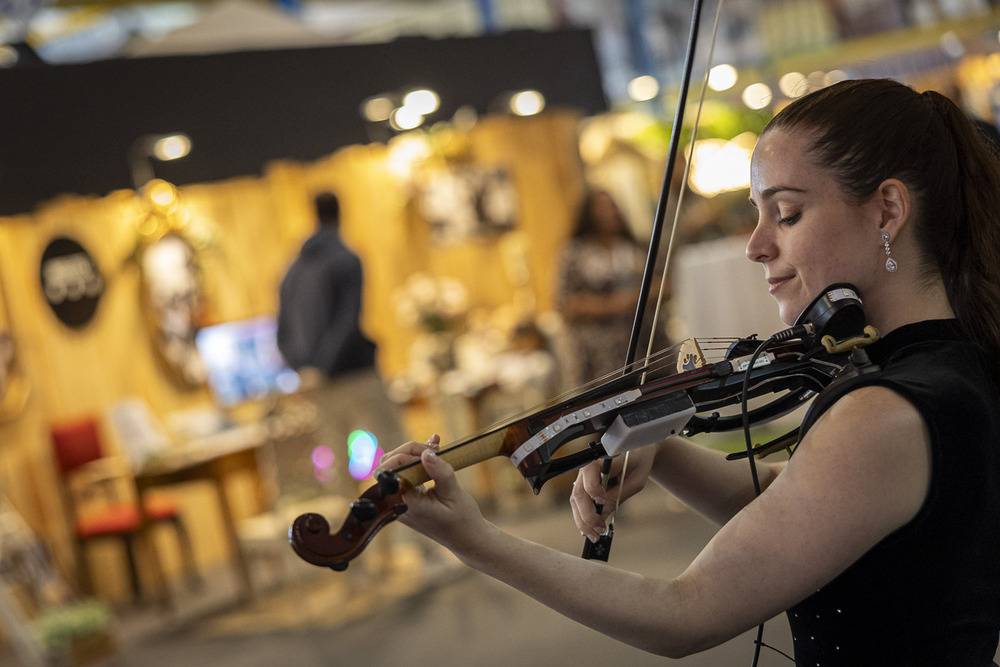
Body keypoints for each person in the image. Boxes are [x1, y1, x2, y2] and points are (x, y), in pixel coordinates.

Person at [377, 78, 1000, 665]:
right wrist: (659, 445)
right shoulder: (955, 371)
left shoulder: (886, 411)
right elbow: (783, 505)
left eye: (785, 214)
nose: (756, 244)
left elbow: (686, 612)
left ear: (888, 210)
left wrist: (475, 541)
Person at [277, 191, 406, 497]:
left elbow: (281, 330)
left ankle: (353, 541)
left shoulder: (292, 271)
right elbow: (348, 320)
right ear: (339, 213)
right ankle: (414, 539)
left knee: (338, 469)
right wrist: (322, 366)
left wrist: (304, 369)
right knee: (393, 455)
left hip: (316, 385)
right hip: (356, 374)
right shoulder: (346, 259)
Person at [554, 188, 647, 384]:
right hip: (598, 356)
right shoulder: (575, 253)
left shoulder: (633, 246)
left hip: (642, 344)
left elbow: (664, 282)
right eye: (602, 207)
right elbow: (566, 305)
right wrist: (617, 303)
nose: (610, 212)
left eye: (612, 205)